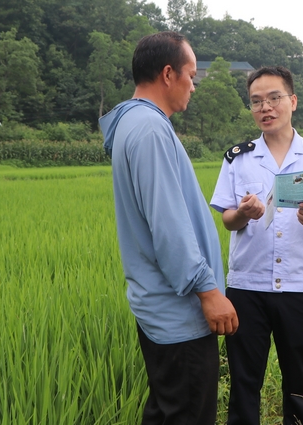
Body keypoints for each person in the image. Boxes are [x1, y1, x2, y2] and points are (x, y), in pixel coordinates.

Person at [99, 31, 238, 425]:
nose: (193, 86)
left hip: (159, 308)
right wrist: (208, 291)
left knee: (167, 412)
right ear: (167, 74)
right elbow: (168, 225)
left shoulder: (132, 122)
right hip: (180, 314)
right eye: (191, 76)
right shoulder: (150, 129)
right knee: (188, 414)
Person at [210, 66, 303, 425]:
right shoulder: (238, 157)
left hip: (299, 285)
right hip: (247, 286)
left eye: (274, 98)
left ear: (293, 101)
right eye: (256, 101)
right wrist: (244, 213)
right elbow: (227, 219)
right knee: (244, 379)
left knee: (298, 378)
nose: (266, 108)